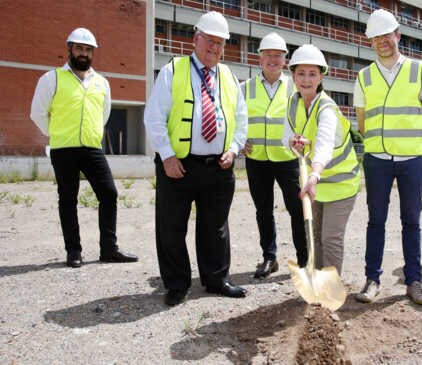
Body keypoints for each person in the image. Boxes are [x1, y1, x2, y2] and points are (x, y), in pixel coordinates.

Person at [143, 11, 247, 306]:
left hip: (218, 165)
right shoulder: (173, 70)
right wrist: (166, 155)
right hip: (179, 166)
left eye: (221, 43)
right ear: (196, 39)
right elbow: (154, 118)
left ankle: (216, 279)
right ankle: (177, 284)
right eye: (210, 41)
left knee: (215, 226)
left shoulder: (228, 76)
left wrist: (235, 148)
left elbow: (241, 119)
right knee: (172, 226)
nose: (215, 48)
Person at [30, 28, 138, 268]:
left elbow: (104, 114)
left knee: (109, 193)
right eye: (79, 48)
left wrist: (92, 133)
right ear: (69, 49)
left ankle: (108, 249)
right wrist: (56, 133)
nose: (83, 53)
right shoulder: (52, 79)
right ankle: (73, 251)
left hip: (92, 148)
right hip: (63, 149)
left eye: (88, 49)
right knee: (68, 199)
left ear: (93, 53)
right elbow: (37, 113)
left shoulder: (102, 82)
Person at [353, 9, 422, 305]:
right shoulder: (364, 77)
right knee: (376, 221)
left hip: (412, 160)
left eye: (386, 35)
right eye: (375, 37)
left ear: (397, 35)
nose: (382, 41)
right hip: (377, 160)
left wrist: (411, 146)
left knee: (411, 221)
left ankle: (414, 281)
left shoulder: (419, 70)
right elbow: (362, 121)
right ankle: (372, 280)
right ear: (370, 42)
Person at [282, 44, 359, 275]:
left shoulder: (327, 107)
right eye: (301, 73)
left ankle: (332, 292)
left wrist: (314, 174)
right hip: (315, 185)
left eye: (312, 74)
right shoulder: (293, 102)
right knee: (314, 236)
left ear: (321, 76)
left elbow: (324, 144)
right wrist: (294, 142)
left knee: (330, 238)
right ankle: (317, 284)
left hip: (340, 184)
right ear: (293, 75)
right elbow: (286, 135)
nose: (306, 80)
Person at [241, 33, 307, 278]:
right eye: (267, 54)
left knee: (297, 209)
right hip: (256, 159)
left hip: (287, 159)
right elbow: (235, 119)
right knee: (263, 211)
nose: (272, 59)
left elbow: (307, 118)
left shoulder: (295, 86)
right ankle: (269, 258)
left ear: (285, 61)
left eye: (277, 55)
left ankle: (304, 260)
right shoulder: (244, 88)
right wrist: (239, 140)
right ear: (259, 58)